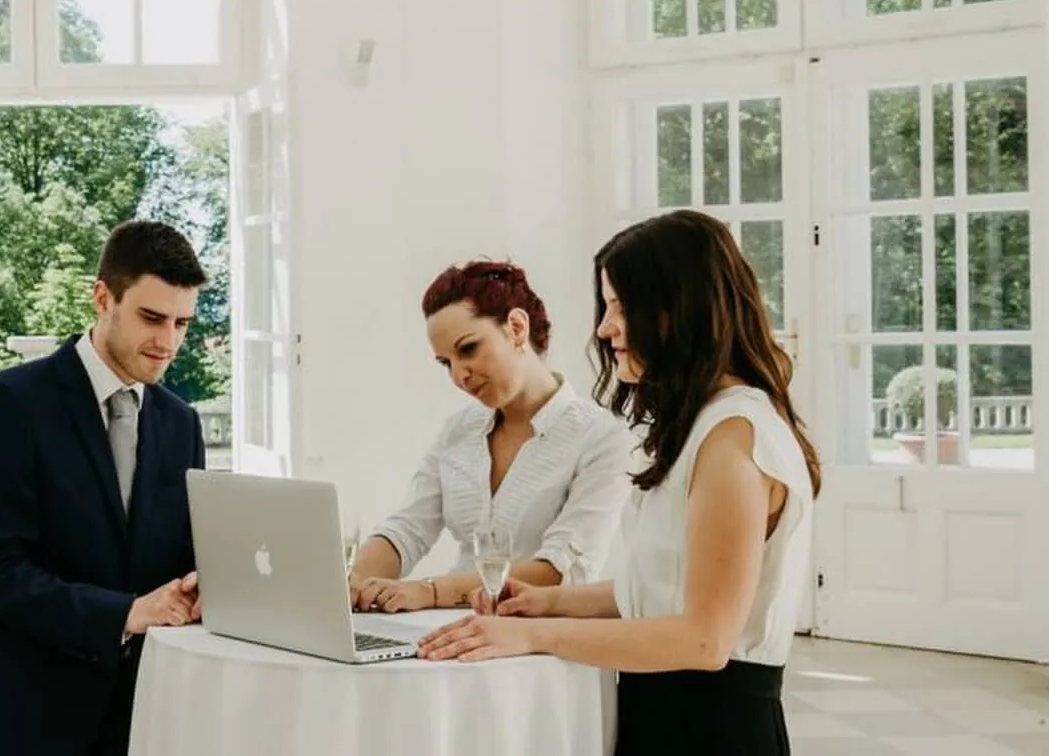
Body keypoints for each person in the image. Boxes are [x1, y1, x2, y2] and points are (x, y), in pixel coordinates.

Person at [418, 210, 820, 756]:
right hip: (664, 714)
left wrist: (532, 635)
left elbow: (704, 640)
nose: (605, 328)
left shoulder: (734, 438)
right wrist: (546, 603)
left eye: (620, 307)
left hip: (712, 731)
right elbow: (661, 592)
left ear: (680, 308)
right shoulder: (705, 426)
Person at [0, 220, 209, 756]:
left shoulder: (181, 423)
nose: (168, 342)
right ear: (102, 297)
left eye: (182, 323)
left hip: (141, 720)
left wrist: (205, 584)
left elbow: (182, 556)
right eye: (152, 318)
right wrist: (124, 613)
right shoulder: (10, 403)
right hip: (24, 719)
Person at [347, 260, 633, 613]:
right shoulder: (459, 430)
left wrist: (431, 591)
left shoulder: (602, 438)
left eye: (467, 349)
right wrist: (353, 581)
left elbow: (559, 573)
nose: (458, 376)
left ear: (516, 328)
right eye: (446, 363)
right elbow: (407, 530)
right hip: (448, 627)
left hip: (537, 635)